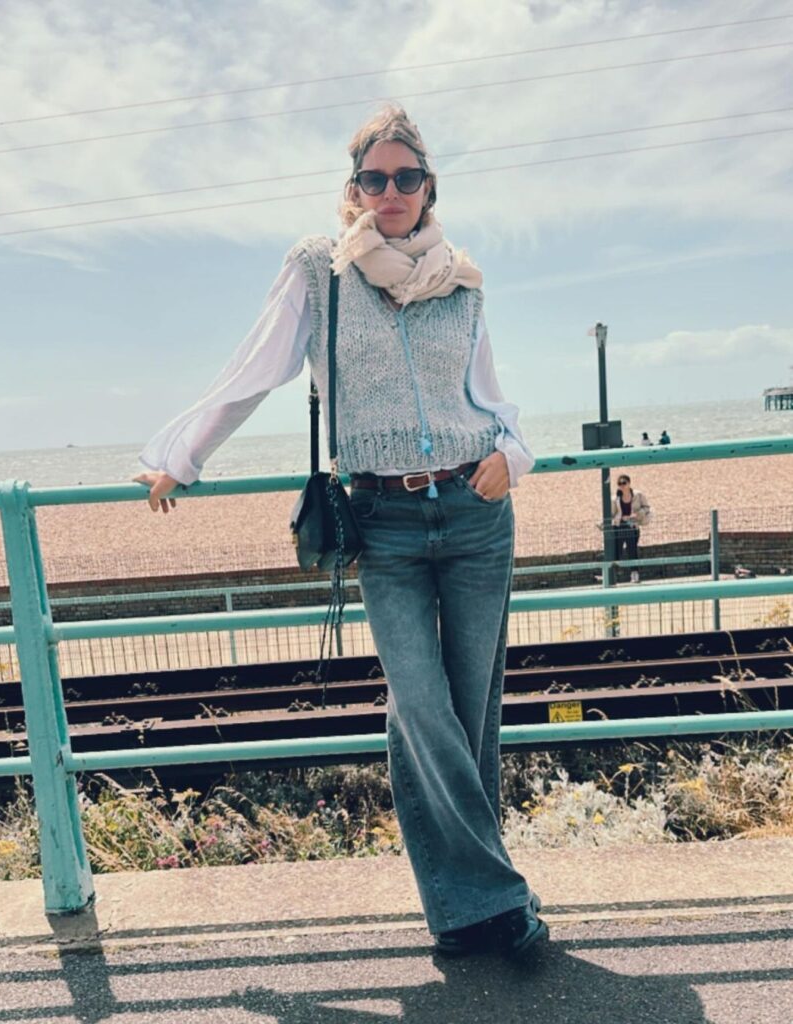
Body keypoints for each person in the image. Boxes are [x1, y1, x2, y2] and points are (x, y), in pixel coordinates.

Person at [132, 105, 547, 964]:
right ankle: (497, 897)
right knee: (422, 708)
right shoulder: (318, 270)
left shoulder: (462, 280)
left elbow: (490, 399)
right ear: (352, 188)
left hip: (476, 512)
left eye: (405, 177)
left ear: (429, 186)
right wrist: (182, 456)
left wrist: (514, 455)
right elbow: (253, 371)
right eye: (373, 178)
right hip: (382, 521)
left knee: (469, 714)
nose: (390, 191)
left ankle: (467, 915)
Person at [612, 474, 652, 583]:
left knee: (632, 550)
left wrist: (637, 514)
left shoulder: (638, 495)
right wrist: (619, 518)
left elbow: (646, 508)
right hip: (619, 526)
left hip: (632, 525)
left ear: (629, 483)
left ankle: (634, 574)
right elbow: (612, 514)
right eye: (619, 484)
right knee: (617, 551)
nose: (622, 486)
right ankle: (612, 574)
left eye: (624, 483)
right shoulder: (615, 498)